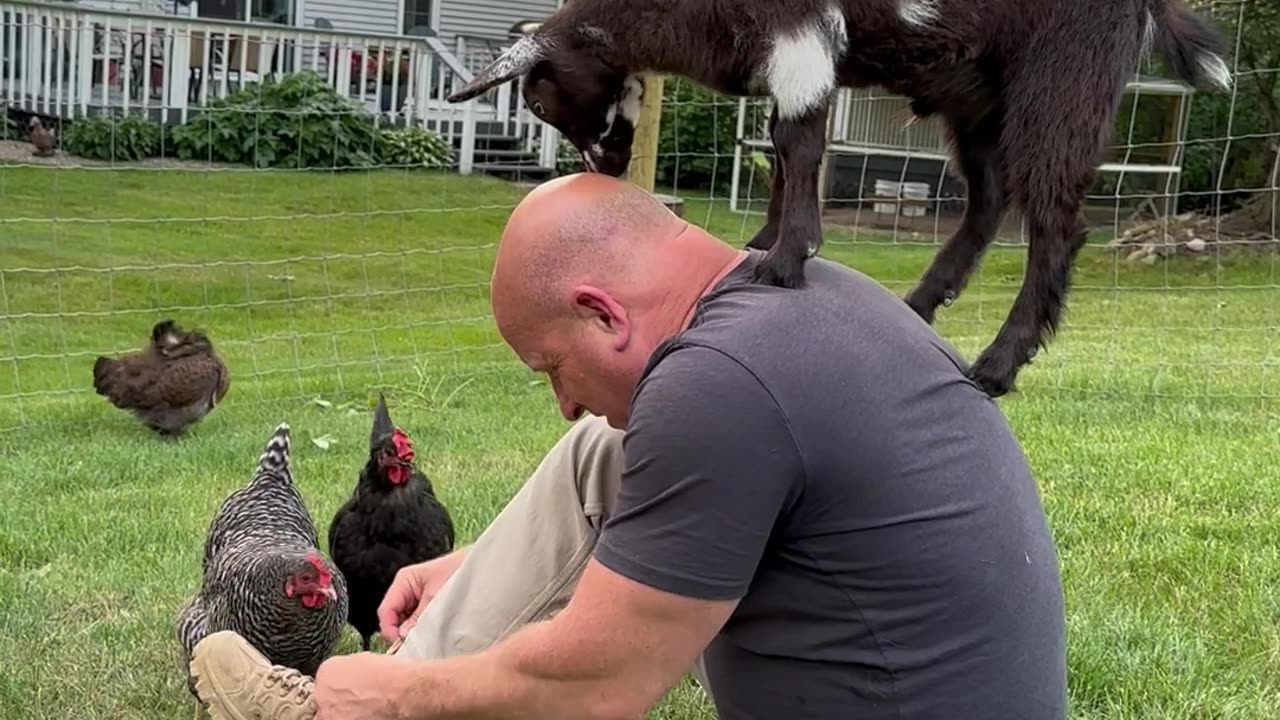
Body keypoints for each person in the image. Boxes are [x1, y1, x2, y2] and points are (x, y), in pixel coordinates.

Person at [189, 173, 1067, 720]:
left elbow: (595, 685)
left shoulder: (720, 382)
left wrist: (391, 694)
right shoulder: (793, 302)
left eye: (551, 367)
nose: (562, 400)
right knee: (603, 451)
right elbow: (671, 499)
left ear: (602, 312)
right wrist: (477, 567)